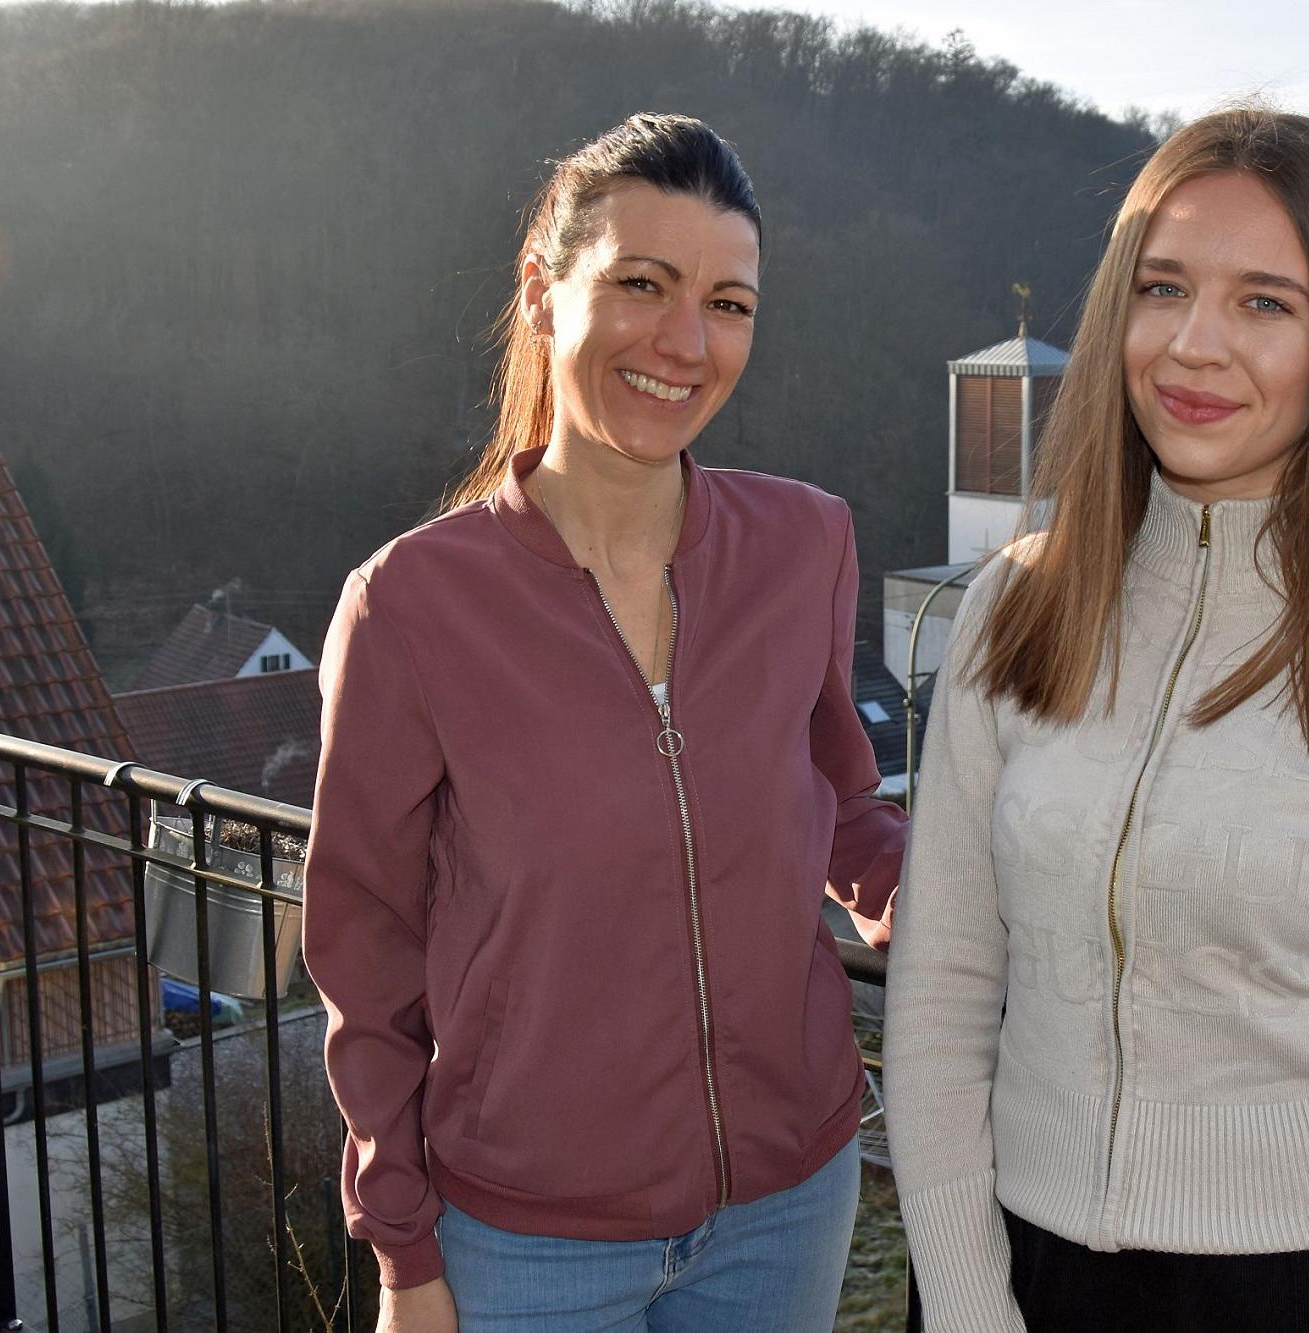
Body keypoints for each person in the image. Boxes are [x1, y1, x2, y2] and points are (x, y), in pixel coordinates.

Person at [882, 107, 1309, 1333]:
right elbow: (942, 995)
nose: (1193, 347)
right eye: (1162, 288)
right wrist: (962, 1302)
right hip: (1021, 1278)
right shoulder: (1012, 607)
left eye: (1265, 302)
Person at [305, 112, 904, 1333]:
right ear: (542, 291)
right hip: (524, 1240)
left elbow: (840, 798)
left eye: (728, 303)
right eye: (643, 284)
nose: (685, 342)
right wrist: (402, 1248)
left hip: (787, 1202)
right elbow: (363, 949)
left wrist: (924, 901)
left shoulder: (806, 545)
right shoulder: (411, 605)